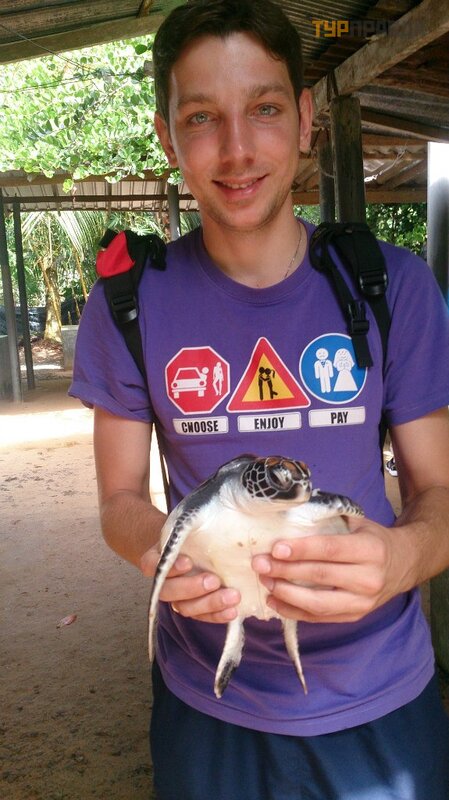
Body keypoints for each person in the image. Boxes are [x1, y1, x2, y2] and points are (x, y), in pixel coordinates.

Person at [70, 1, 449, 797]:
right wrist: (161, 547)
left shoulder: (392, 287)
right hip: (207, 701)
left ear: (306, 120)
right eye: (201, 117)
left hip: (379, 697)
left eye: (265, 109)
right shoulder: (127, 306)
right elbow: (116, 500)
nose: (237, 148)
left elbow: (438, 492)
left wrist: (401, 561)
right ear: (167, 137)